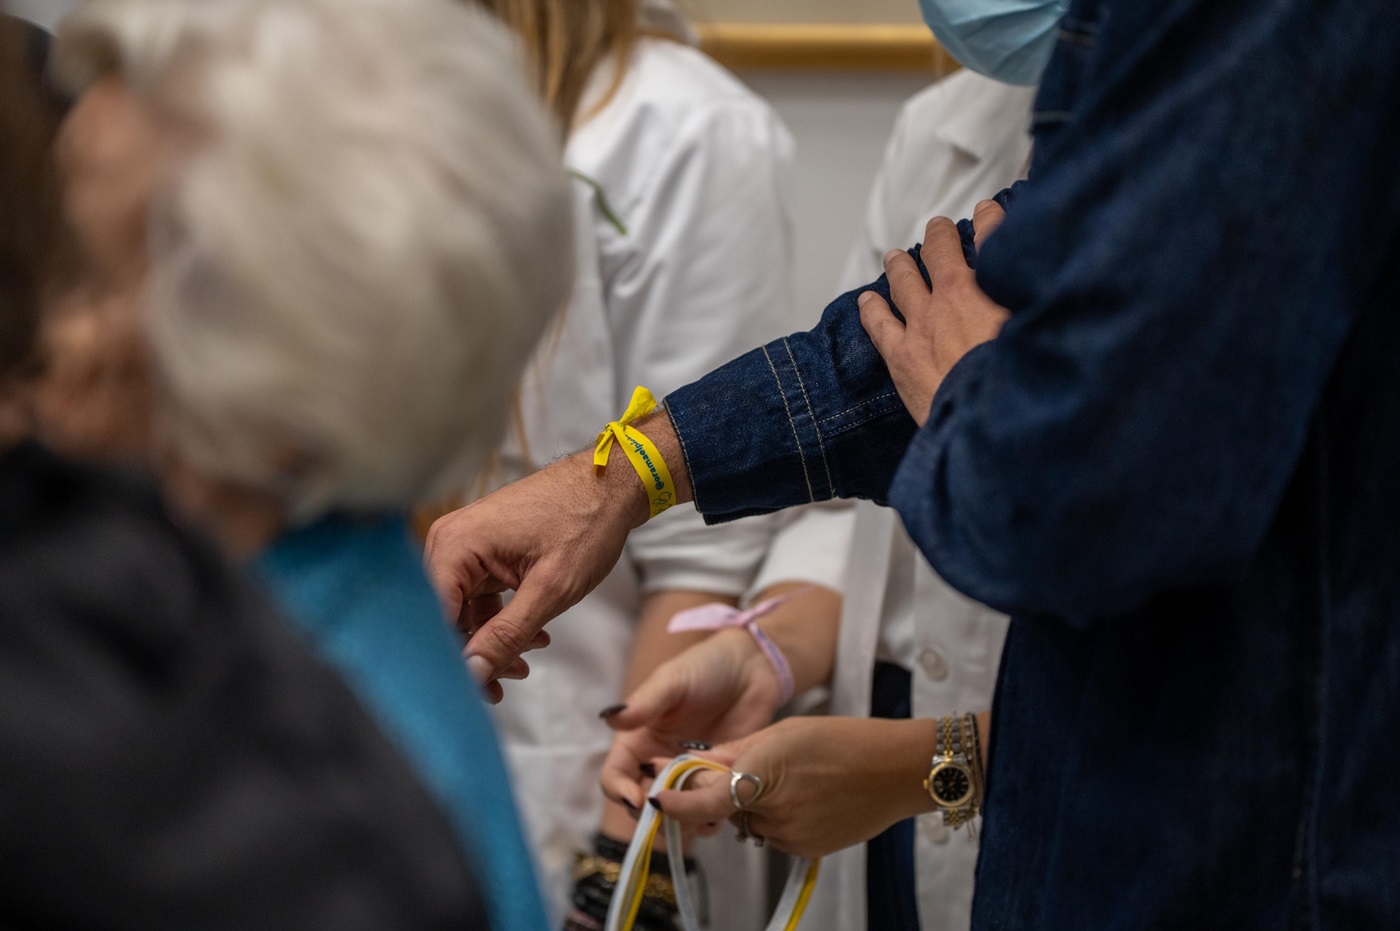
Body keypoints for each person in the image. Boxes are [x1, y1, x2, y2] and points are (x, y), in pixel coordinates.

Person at [427, 0, 1400, 926]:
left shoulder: (1260, 44)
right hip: (1005, 781)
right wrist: (635, 486)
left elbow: (1063, 492)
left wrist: (930, 761)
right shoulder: (1016, 124)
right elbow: (882, 384)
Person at [51, 1, 575, 929]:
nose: (32, 321)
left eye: (80, 273)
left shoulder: (325, 805)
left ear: (268, 380)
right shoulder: (172, 589)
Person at [599, 68, 1035, 931]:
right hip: (873, 758)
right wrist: (767, 653)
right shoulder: (944, 124)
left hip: (1033, 782)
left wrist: (923, 765)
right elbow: (852, 491)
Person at [464, 1, 807, 926]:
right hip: (443, 757)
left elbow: (708, 544)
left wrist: (625, 869)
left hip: (591, 770)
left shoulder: (686, 131)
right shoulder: (422, 102)